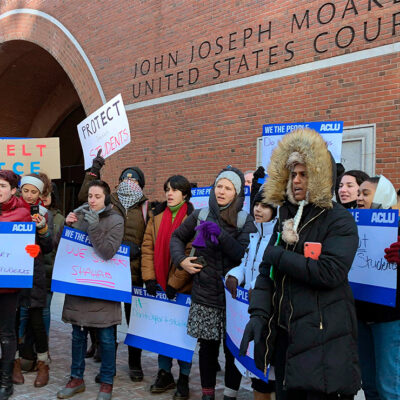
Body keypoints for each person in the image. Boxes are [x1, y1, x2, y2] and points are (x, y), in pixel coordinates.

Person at [240, 128, 361, 400]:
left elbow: (331, 272)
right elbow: (266, 272)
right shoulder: (286, 216)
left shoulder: (339, 220)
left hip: (323, 342)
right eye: (293, 174)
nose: (296, 180)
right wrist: (258, 313)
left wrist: (280, 256)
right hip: (286, 339)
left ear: (320, 175)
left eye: (304, 174)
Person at [170, 166, 256, 400]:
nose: (222, 191)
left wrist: (221, 235)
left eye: (228, 188)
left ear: (236, 193)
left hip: (232, 298)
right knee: (207, 349)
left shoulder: (245, 220)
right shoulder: (200, 214)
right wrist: (182, 261)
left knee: (232, 351)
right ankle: (208, 394)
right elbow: (176, 237)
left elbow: (244, 255)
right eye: (219, 186)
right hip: (205, 294)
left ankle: (230, 395)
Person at [78, 151, 148, 381]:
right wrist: (95, 168)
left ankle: (134, 363)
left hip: (134, 273)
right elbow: (85, 197)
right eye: (125, 178)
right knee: (107, 320)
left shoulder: (147, 208)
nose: (129, 182)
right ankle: (106, 360)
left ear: (141, 184)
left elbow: (149, 239)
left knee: (134, 322)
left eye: (134, 179)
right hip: (108, 269)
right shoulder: (110, 202)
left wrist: (138, 252)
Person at [57, 180, 124, 400]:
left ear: (106, 198)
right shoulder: (81, 217)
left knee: (105, 337)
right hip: (79, 285)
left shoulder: (116, 220)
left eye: (97, 197)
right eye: (90, 197)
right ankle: (76, 378)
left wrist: (94, 226)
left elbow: (107, 252)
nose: (92, 201)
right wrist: (66, 226)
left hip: (102, 287)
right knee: (77, 335)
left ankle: (106, 381)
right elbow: (63, 250)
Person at [141, 175, 194, 399]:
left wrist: (175, 282)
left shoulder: (193, 218)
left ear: (185, 194)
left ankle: (183, 378)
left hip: (183, 288)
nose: (169, 194)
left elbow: (192, 253)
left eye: (174, 190)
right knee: (162, 332)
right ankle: (164, 373)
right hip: (159, 285)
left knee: (182, 335)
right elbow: (147, 248)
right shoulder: (156, 216)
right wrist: (150, 278)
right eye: (167, 190)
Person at [225, 187, 277, 400]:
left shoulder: (276, 237)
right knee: (256, 370)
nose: (258, 209)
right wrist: (235, 275)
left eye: (265, 206)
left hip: (268, 310)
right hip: (249, 309)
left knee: (269, 373)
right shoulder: (255, 235)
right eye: (257, 204)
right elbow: (245, 264)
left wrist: (256, 285)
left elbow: (271, 271)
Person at [356, 175, 400, 400]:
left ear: (382, 194)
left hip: (389, 319)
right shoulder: (351, 224)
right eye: (359, 193)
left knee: (389, 388)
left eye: (366, 193)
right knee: (370, 385)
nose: (359, 198)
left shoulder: (398, 227)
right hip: (361, 316)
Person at [14, 173, 53, 388]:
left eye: (34, 192)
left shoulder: (43, 214)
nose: (29, 196)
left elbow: (48, 248)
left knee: (37, 320)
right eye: (26, 190)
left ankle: (43, 364)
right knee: (15, 319)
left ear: (40, 194)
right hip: (13, 272)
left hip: (35, 274)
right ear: (20, 190)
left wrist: (42, 231)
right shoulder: (11, 211)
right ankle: (15, 362)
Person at [0, 170, 32, 400]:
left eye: (2, 186)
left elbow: (28, 250)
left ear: (13, 190)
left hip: (8, 286)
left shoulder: (22, 214)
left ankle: (5, 379)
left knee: (7, 333)